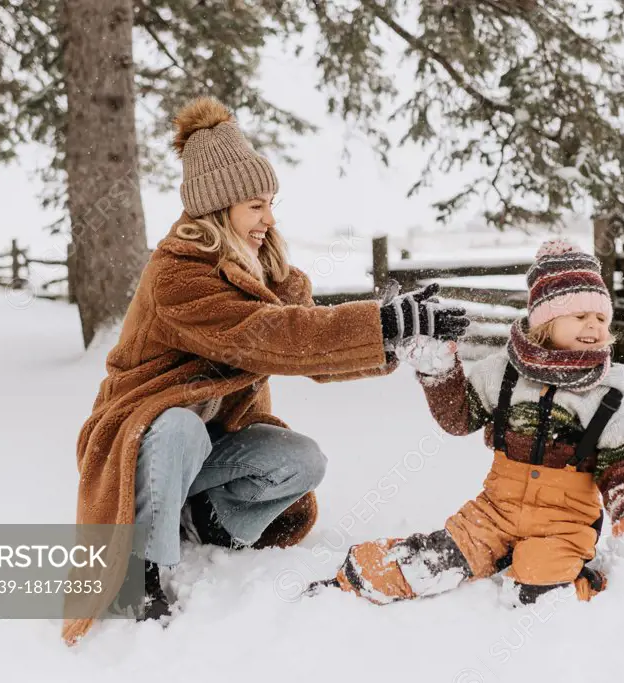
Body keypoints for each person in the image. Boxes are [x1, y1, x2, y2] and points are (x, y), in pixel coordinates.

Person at [62, 97, 470, 644]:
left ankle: (204, 520)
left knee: (301, 460)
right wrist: (379, 323)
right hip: (142, 440)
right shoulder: (178, 276)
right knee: (178, 426)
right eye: (256, 206)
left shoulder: (268, 271)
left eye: (270, 204)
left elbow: (309, 353)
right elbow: (273, 338)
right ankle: (143, 569)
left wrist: (392, 338)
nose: (269, 219)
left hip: (208, 445)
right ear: (220, 208)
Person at [309, 240, 624, 607]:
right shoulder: (504, 374)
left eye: (601, 319)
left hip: (565, 525)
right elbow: (459, 418)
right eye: (580, 316)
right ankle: (355, 581)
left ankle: (592, 579)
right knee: (429, 563)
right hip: (495, 512)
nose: (593, 325)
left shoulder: (607, 396)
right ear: (545, 320)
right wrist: (441, 372)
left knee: (538, 591)